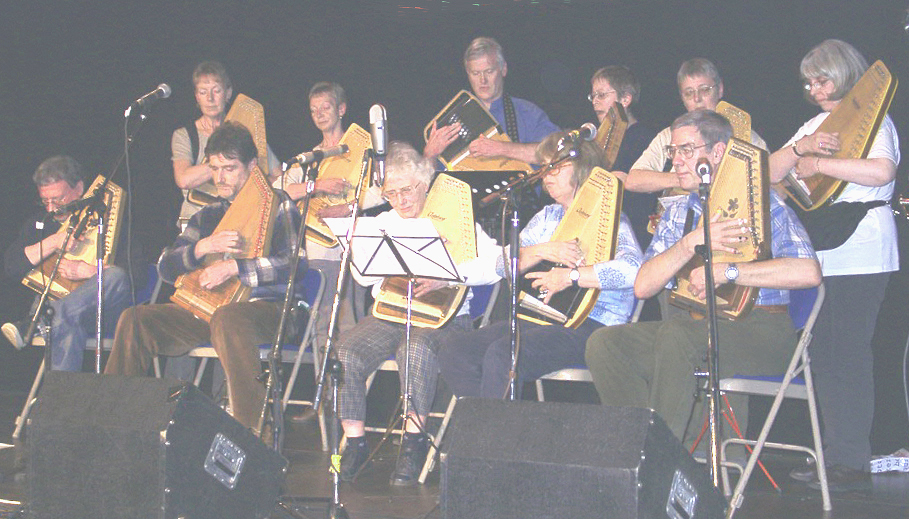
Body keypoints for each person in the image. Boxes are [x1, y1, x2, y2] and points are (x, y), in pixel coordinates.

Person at [585, 109, 821, 451]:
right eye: (672, 152)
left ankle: (662, 460)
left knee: (677, 336)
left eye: (686, 150)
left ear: (718, 153)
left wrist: (729, 272)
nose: (676, 161)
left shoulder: (761, 204)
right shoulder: (679, 212)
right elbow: (643, 286)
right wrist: (687, 243)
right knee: (605, 343)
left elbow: (809, 272)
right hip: (696, 329)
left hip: (760, 331)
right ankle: (635, 448)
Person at [104, 122, 306, 434]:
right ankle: (113, 423)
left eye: (230, 168)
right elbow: (166, 268)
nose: (221, 178)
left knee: (228, 318)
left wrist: (236, 268)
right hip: (209, 311)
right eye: (215, 168)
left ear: (253, 166)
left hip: (271, 309)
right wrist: (202, 247)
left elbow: (295, 264)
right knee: (135, 319)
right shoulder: (207, 215)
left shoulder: (279, 205)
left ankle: (251, 434)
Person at [768, 39, 900, 492]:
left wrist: (820, 162)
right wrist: (802, 146)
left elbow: (881, 172)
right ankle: (833, 453)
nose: (814, 88)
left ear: (843, 73)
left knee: (848, 355)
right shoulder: (815, 123)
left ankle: (851, 460)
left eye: (821, 78)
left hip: (862, 248)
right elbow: (767, 172)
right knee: (822, 355)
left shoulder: (872, 118)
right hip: (820, 249)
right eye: (808, 82)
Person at [336, 142, 500, 486]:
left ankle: (413, 443)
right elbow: (364, 277)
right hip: (391, 313)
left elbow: (498, 264)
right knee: (345, 351)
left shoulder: (457, 215)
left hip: (446, 317)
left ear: (425, 183)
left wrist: (451, 271)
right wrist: (351, 244)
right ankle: (355, 442)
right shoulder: (383, 221)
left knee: (415, 350)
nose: (401, 201)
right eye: (392, 193)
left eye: (408, 190)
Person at [438, 131, 642, 399]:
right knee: (457, 350)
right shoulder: (547, 217)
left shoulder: (610, 219)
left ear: (582, 170)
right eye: (545, 167)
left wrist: (571, 276)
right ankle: (485, 427)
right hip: (542, 318)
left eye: (556, 167)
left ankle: (491, 434)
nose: (547, 175)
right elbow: (502, 265)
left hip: (592, 326)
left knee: (503, 354)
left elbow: (633, 270)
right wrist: (543, 250)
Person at [2, 156, 142, 372]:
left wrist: (87, 271)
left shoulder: (113, 220)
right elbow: (11, 267)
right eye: (45, 201)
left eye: (58, 200)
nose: (51, 209)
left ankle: (38, 323)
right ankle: (61, 402)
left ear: (79, 189)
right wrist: (53, 242)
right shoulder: (41, 224)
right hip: (66, 315)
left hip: (104, 313)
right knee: (66, 323)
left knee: (114, 277)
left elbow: (136, 276)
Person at [273, 82, 382, 353]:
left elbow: (383, 189)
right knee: (321, 325)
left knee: (348, 324)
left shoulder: (363, 148)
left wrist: (348, 208)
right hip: (316, 248)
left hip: (348, 247)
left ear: (341, 109)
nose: (320, 114)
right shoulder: (312, 158)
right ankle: (322, 393)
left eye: (326, 107)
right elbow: (277, 188)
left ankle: (347, 391)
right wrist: (316, 185)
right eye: (313, 110)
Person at [625, 58, 767, 194]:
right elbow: (633, 180)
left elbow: (769, 177)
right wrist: (687, 178)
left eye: (704, 90)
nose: (697, 99)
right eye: (689, 93)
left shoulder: (744, 134)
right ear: (682, 98)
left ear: (720, 89)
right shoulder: (669, 135)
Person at [172, 61, 281, 229]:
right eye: (203, 92)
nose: (210, 98)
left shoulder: (245, 131)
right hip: (196, 220)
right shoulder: (185, 135)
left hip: (240, 218)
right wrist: (228, 162)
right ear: (196, 96)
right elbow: (184, 179)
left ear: (228, 93)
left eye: (216, 91)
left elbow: (278, 176)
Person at [423, 36, 559, 166]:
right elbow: (428, 181)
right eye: (476, 73)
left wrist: (502, 148)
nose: (483, 80)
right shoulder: (452, 118)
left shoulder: (527, 112)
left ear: (503, 69)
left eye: (489, 71)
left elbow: (556, 152)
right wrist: (430, 155)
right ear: (467, 74)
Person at [588, 65, 658, 249]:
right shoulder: (594, 141)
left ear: (625, 99)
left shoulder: (644, 139)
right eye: (593, 96)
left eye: (601, 95)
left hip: (634, 237)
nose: (595, 102)